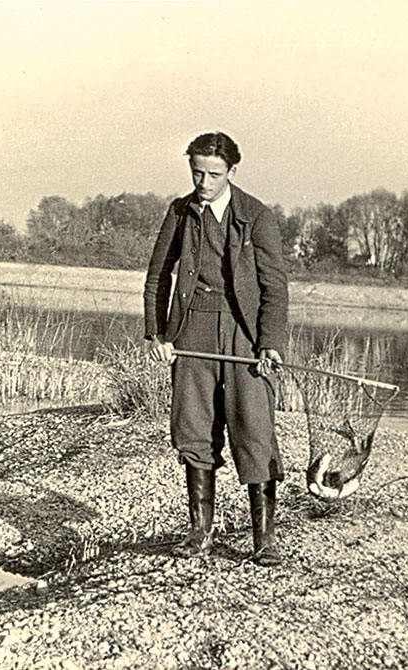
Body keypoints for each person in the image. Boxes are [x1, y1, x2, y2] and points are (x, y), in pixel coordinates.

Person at [143, 131, 288, 566]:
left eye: (213, 173)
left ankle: (264, 542)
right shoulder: (180, 212)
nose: (203, 181)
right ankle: (199, 533)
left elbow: (275, 289)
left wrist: (270, 344)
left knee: (254, 428)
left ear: (232, 172)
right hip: (192, 331)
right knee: (194, 427)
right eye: (196, 172)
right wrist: (157, 335)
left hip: (244, 333)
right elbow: (157, 277)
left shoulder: (257, 216)